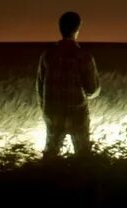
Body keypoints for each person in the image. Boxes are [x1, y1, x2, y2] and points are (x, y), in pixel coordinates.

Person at [35, 9, 101, 158]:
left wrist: (46, 108)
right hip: (76, 113)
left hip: (52, 112)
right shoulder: (83, 56)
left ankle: (45, 179)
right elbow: (92, 90)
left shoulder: (48, 54)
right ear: (77, 29)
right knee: (83, 154)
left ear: (60, 28)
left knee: (50, 154)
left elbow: (40, 86)